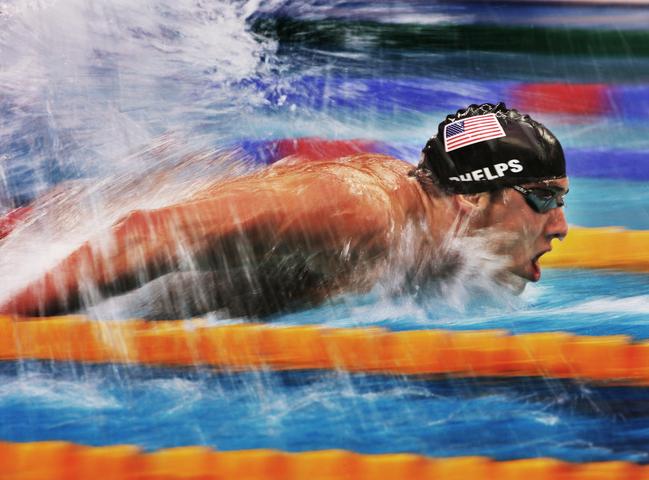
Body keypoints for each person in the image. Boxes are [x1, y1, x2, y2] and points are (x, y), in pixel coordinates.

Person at [0, 102, 568, 319]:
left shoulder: (430, 239)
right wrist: (11, 327)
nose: (560, 228)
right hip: (32, 263)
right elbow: (155, 231)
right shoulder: (361, 210)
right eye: (543, 200)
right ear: (472, 197)